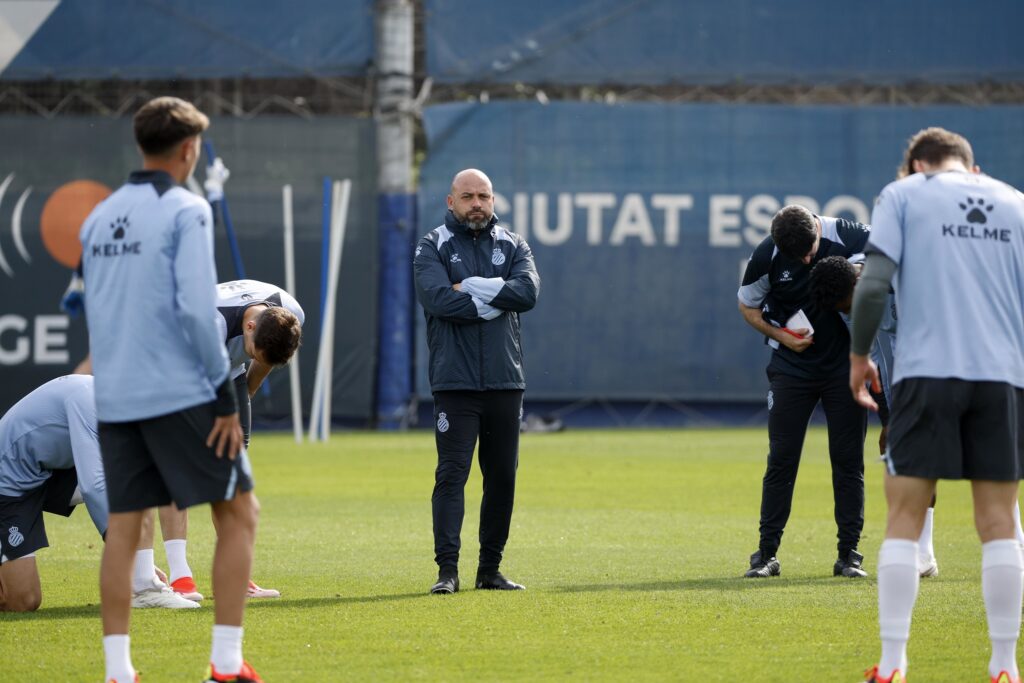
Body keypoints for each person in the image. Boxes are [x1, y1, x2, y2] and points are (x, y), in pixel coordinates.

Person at [81, 96, 261, 683]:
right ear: (188, 150)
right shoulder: (187, 209)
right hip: (177, 390)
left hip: (114, 393)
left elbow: (92, 305)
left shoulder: (98, 216)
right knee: (239, 512)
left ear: (141, 144)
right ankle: (227, 664)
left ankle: (118, 672)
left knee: (127, 529)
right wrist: (224, 398)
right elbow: (197, 311)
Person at [850, 127, 1024, 683]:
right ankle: (1004, 665)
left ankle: (895, 663)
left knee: (903, 517)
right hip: (1001, 378)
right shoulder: (1016, 203)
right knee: (1001, 522)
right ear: (972, 169)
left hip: (927, 373)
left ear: (915, 166)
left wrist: (859, 357)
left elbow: (874, 285)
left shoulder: (903, 195)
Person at [413, 168, 540, 595]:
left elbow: (527, 294)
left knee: (502, 476)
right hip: (455, 382)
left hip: (506, 381)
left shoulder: (513, 243)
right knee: (452, 474)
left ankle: (490, 570)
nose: (477, 204)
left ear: (493, 199)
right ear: (451, 202)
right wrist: (493, 300)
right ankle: (447, 570)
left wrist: (469, 286)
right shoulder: (432, 245)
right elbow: (436, 298)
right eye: (467, 196)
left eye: (483, 195)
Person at [737, 204, 871, 579]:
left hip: (844, 368)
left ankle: (849, 555)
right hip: (791, 368)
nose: (808, 259)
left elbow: (888, 269)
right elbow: (747, 306)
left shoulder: (851, 235)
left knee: (848, 461)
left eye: (811, 250)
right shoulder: (767, 254)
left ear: (816, 226)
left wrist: (861, 273)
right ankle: (766, 555)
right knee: (781, 459)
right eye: (799, 257)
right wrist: (782, 336)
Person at [0, 375, 199, 611]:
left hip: (47, 472)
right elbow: (94, 486)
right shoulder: (87, 399)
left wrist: (140, 564)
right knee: (23, 601)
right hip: (9, 484)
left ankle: (143, 584)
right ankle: (142, 586)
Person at [160, 279, 303, 602]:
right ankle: (180, 578)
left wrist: (245, 397)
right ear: (249, 326)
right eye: (254, 350)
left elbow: (264, 357)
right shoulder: (206, 324)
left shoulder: (290, 312)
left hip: (229, 371)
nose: (259, 356)